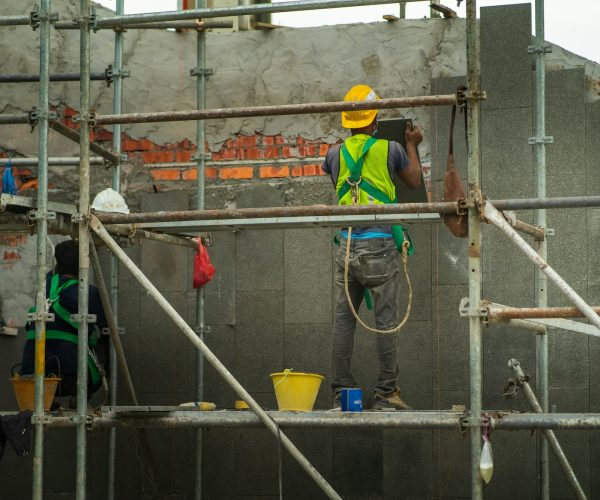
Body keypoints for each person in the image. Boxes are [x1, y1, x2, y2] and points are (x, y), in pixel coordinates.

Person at [322, 84, 423, 410]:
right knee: (386, 322)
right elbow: (414, 182)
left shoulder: (333, 154)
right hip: (379, 245)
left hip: (346, 246)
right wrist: (412, 144)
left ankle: (341, 394)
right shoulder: (391, 149)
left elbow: (337, 180)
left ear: (347, 121)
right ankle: (386, 393)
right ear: (374, 117)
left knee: (344, 321)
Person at [20, 240, 108, 403]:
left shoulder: (44, 287)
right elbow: (105, 327)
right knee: (103, 337)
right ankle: (81, 398)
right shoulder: (87, 292)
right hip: (72, 376)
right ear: (83, 263)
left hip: (32, 372)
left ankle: (50, 402)